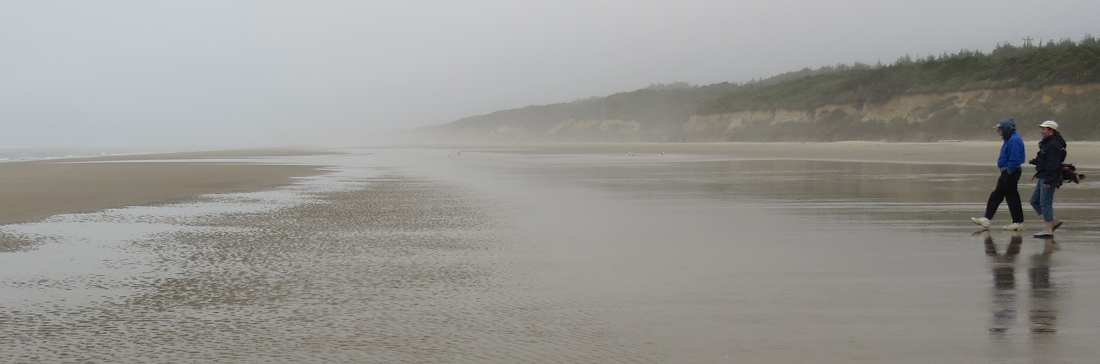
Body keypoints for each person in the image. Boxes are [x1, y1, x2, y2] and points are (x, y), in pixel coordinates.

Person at [971, 118, 1026, 230]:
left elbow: (1014, 158)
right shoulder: (1009, 138)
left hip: (1010, 172)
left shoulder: (1014, 140)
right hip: (1006, 171)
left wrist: (1009, 171)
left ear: (1006, 128)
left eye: (999, 128)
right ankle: (987, 219)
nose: (998, 131)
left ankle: (1018, 222)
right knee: (997, 195)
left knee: (1011, 197)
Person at [1028, 120, 1066, 237]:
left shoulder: (1054, 144)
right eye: (1042, 129)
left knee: (1045, 203)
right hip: (1043, 175)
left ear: (1051, 130)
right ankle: (1054, 221)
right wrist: (1036, 161)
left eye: (1044, 129)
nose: (1042, 131)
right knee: (1034, 201)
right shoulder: (1047, 142)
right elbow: (1044, 157)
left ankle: (1048, 229)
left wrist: (1049, 180)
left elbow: (1053, 163)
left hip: (1049, 177)